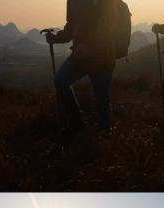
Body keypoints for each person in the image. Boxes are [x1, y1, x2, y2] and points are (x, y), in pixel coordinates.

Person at [45, 0, 119, 131]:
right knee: (60, 81)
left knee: (102, 103)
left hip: (102, 56)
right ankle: (78, 124)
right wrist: (56, 38)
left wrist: (88, 44)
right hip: (80, 55)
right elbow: (72, 26)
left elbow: (107, 23)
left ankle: (105, 139)